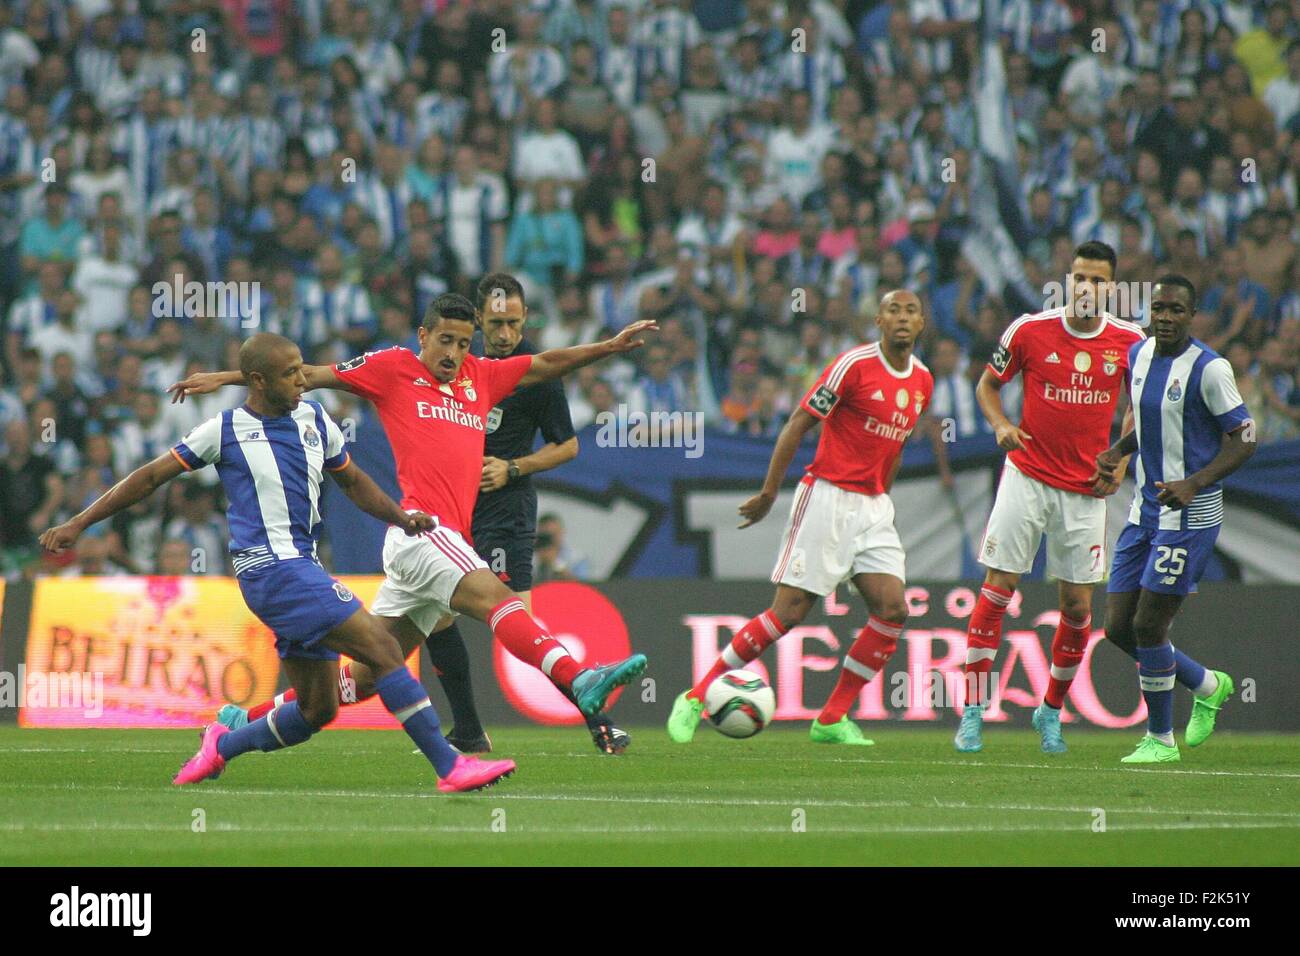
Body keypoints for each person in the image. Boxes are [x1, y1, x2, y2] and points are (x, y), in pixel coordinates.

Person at [40, 333, 515, 793]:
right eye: (290, 374)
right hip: (269, 569)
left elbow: (352, 482)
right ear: (258, 381)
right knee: (383, 650)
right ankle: (450, 766)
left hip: (301, 567)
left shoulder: (313, 417)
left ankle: (224, 743)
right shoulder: (223, 430)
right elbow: (147, 479)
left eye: (300, 370)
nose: (301, 381)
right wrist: (78, 524)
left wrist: (401, 517)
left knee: (318, 709)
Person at [169, 294, 652, 737]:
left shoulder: (481, 377)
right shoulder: (393, 368)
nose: (454, 353)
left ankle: (245, 719)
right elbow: (307, 374)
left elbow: (547, 362)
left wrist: (608, 347)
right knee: (497, 598)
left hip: (445, 545)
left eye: (464, 343)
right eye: (445, 340)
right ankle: (579, 676)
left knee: (369, 674)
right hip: (421, 531)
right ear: (423, 336)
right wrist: (229, 378)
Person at [666, 290, 933, 746]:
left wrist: (880, 501)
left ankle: (830, 719)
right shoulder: (854, 366)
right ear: (878, 320)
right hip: (827, 496)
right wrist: (771, 491)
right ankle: (694, 695)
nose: (902, 318)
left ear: (921, 322)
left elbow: (896, 447)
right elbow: (797, 423)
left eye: (910, 311)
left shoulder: (923, 382)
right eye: (893, 310)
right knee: (788, 612)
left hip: (873, 507)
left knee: (892, 610)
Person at [423, 273, 630, 755]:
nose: (505, 334)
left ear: (525, 320)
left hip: (505, 511)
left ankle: (598, 719)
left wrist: (513, 467)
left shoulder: (534, 372)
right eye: (495, 324)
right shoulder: (456, 362)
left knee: (515, 624)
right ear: (478, 319)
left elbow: (569, 445)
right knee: (435, 617)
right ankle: (470, 730)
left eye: (513, 324)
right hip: (453, 510)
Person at [956, 241, 1145, 754]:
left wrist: (1122, 459)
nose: (1086, 288)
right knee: (997, 592)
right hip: (1027, 475)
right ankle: (973, 711)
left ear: (1112, 287)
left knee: (1078, 607)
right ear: (1069, 281)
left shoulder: (1130, 341)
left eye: (1098, 281)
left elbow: (1139, 406)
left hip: (1086, 489)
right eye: (1079, 278)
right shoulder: (1029, 330)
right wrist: (999, 426)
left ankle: (1050, 712)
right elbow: (987, 386)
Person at [1092, 276, 1254, 763]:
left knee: (1148, 624)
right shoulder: (1137, 356)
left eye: (1176, 310)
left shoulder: (1210, 368)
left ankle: (1161, 740)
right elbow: (1151, 425)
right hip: (1144, 509)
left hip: (1190, 514)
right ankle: (1208, 684)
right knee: (1118, 628)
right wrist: (1119, 451)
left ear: (1192, 315)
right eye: (1158, 308)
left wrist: (1194, 483)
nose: (1165, 317)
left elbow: (1244, 439)